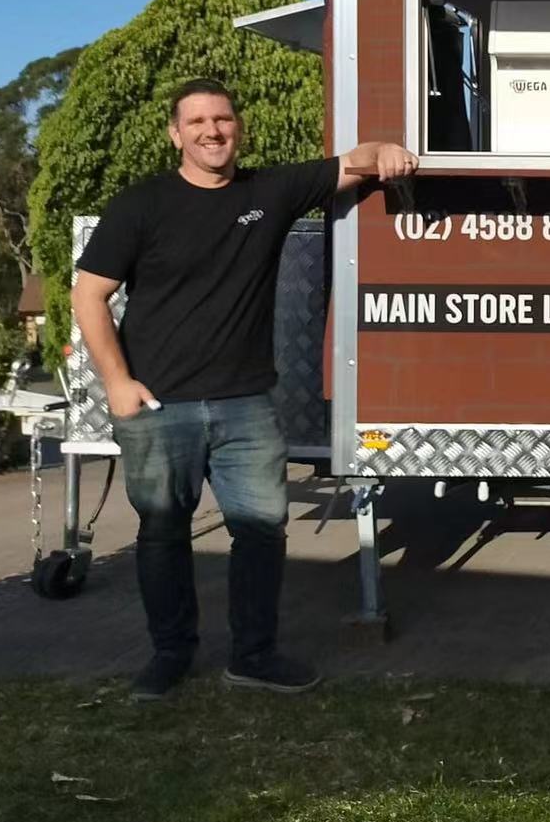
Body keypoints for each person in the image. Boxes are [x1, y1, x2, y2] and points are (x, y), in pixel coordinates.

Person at [72, 77, 416, 701]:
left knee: (260, 531)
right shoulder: (141, 204)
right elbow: (88, 293)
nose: (212, 131)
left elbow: (354, 162)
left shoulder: (269, 190)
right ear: (175, 134)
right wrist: (117, 383)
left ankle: (254, 655)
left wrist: (386, 151)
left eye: (223, 119)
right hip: (158, 405)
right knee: (163, 533)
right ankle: (171, 654)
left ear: (238, 128)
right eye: (197, 121)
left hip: (246, 404)